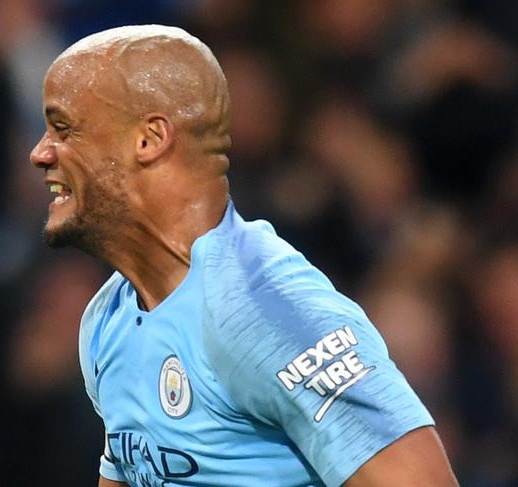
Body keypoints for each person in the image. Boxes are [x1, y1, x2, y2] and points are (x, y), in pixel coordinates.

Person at [30, 25, 458, 487]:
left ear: (149, 139)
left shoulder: (261, 307)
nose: (40, 153)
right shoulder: (107, 321)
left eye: (64, 128)